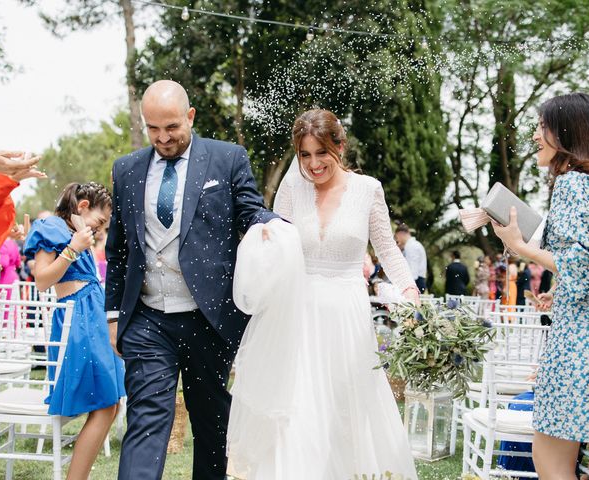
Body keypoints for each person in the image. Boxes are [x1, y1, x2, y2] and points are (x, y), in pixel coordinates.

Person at [227, 109, 420, 479]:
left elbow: (387, 248)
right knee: (298, 411)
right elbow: (276, 236)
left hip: (346, 317)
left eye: (321, 153)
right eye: (304, 155)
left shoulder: (368, 190)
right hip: (296, 316)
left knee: (343, 411)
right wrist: (266, 240)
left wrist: (409, 290)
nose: (313, 164)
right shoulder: (291, 186)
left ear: (340, 146)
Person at [105, 80, 278, 480]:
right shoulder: (126, 169)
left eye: (171, 128)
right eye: (153, 129)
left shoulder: (227, 158)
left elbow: (251, 211)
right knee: (147, 421)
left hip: (209, 320)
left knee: (212, 424)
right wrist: (113, 316)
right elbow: (118, 250)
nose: (163, 138)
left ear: (190, 116)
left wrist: (273, 227)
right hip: (149, 320)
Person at [491, 92, 589, 479]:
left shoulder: (572, 184)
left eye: (541, 126)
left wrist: (519, 246)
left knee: (552, 464)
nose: (535, 135)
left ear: (566, 132)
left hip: (580, 354)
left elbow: (582, 266)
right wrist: (562, 291)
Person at [23, 181, 125, 480]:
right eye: (100, 221)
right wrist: (73, 249)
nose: (100, 229)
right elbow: (42, 280)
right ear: (82, 207)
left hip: (94, 317)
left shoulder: (76, 233)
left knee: (111, 404)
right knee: (107, 405)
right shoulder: (52, 227)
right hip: (79, 322)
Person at [395, 223, 428, 293]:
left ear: (401, 234)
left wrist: (408, 287)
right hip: (417, 281)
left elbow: (412, 270)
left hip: (416, 282)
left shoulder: (411, 246)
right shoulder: (412, 245)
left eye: (397, 237)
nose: (398, 240)